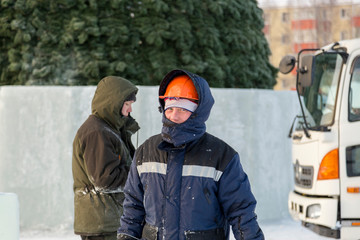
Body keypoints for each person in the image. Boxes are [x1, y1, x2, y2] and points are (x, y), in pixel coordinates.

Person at [117, 69, 264, 240]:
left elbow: (241, 213)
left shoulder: (221, 156)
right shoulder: (147, 151)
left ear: (198, 112)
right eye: (170, 108)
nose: (174, 115)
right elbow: (133, 206)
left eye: (183, 109)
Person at [72, 76, 140, 240]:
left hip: (106, 221)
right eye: (127, 104)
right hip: (102, 224)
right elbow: (104, 181)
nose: (130, 109)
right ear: (113, 102)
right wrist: (139, 174)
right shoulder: (97, 132)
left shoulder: (108, 130)